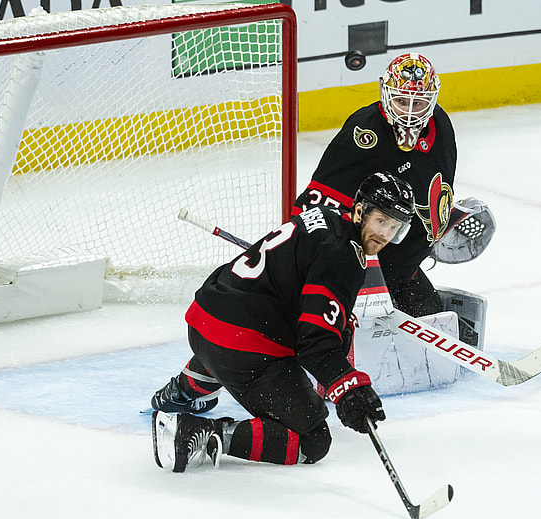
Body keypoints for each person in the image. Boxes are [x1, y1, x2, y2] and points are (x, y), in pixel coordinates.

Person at [151, 172, 416, 473]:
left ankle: (183, 390)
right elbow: (314, 342)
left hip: (204, 321)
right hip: (242, 345)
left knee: (311, 329)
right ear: (360, 210)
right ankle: (200, 431)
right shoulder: (343, 257)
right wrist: (348, 387)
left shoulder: (325, 216)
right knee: (313, 439)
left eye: (395, 227)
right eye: (381, 221)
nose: (385, 234)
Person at [293, 52, 462, 319]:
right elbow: (319, 199)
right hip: (361, 265)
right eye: (401, 100)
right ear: (385, 92)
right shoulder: (365, 132)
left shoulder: (440, 125)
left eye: (418, 103)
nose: (408, 112)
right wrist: (297, 251)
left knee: (432, 317)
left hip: (404, 265)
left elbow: (434, 191)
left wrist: (439, 225)